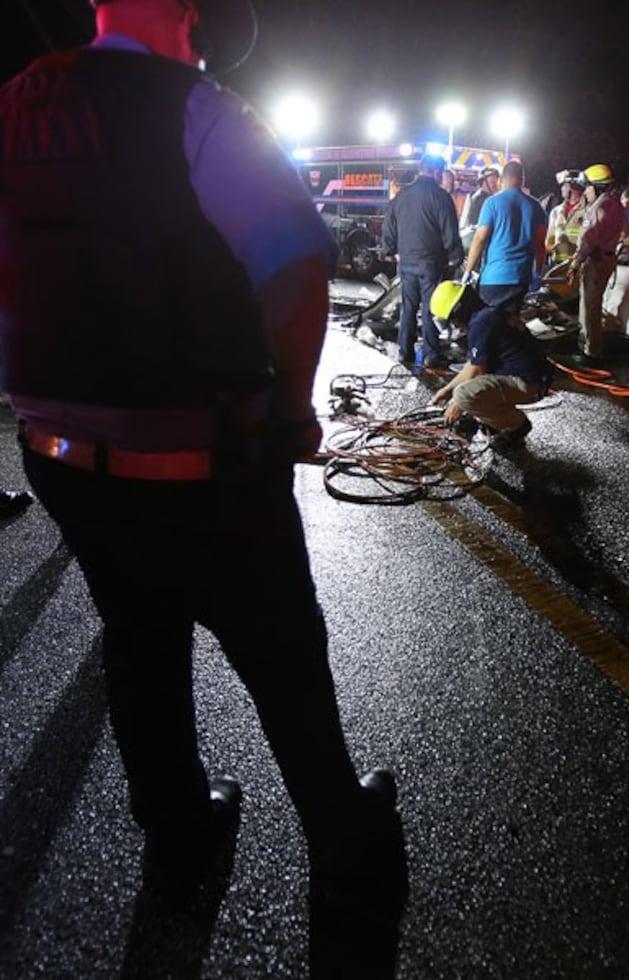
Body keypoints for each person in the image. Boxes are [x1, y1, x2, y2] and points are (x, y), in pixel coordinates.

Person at [0, 3, 408, 978]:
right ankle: (345, 851)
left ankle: (179, 841)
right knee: (282, 659)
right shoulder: (199, 110)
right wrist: (292, 408)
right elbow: (295, 261)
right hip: (203, 459)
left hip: (60, 452)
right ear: (182, 15)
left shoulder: (15, 103)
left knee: (139, 642)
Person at [428, 280, 552, 452]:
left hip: (529, 383)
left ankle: (517, 426)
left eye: (452, 319)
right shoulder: (486, 314)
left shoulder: (480, 323)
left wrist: (457, 402)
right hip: (531, 377)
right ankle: (493, 421)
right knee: (465, 389)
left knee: (464, 394)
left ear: (458, 311)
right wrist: (446, 390)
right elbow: (473, 365)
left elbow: (477, 371)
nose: (454, 324)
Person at [382, 152, 463, 368]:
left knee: (408, 307)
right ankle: (430, 354)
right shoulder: (441, 196)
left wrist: (391, 250)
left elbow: (388, 225)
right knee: (430, 308)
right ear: (436, 172)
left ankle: (405, 351)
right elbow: (450, 231)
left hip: (406, 261)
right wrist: (456, 257)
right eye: (441, 173)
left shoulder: (402, 195)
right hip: (431, 262)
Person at [462, 159, 547, 318]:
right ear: (522, 180)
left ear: (501, 180)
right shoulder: (536, 207)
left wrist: (467, 271)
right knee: (511, 324)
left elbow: (480, 239)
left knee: (488, 325)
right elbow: (540, 245)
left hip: (494, 277)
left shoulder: (492, 203)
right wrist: (537, 272)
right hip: (521, 278)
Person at [566, 164, 628, 364]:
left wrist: (575, 264)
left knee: (590, 305)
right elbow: (626, 231)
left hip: (596, 260)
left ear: (597, 187)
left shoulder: (597, 209)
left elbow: (586, 241)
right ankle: (591, 344)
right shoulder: (616, 205)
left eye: (587, 187)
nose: (585, 191)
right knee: (595, 303)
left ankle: (591, 350)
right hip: (608, 258)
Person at [544, 169, 586, 264]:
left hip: (578, 266)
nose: (562, 189)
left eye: (564, 185)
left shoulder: (587, 211)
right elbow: (549, 240)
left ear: (572, 187)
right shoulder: (556, 211)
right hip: (557, 265)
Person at [459, 165, 500, 242]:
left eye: (496, 182)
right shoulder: (480, 199)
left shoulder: (491, 198)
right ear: (483, 182)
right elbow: (476, 224)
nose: (495, 185)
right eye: (492, 182)